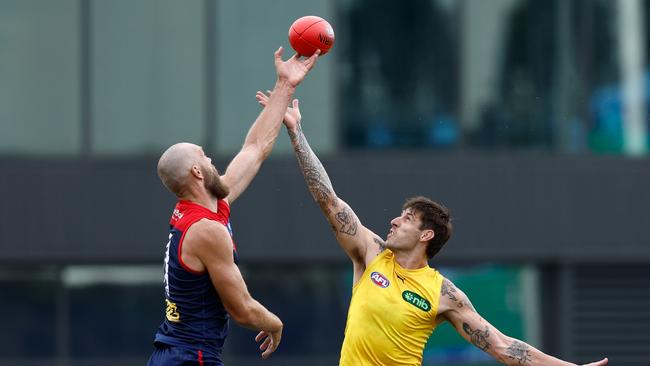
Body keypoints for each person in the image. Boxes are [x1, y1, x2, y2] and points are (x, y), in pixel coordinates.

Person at [255, 91, 608, 366]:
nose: (394, 220)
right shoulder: (372, 253)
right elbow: (328, 200)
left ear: (427, 236)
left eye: (407, 218)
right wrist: (296, 132)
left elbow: (503, 347)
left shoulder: (445, 294)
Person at [147, 47, 319, 366]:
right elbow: (240, 308)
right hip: (191, 357)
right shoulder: (206, 231)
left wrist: (285, 86)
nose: (211, 159)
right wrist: (274, 323)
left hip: (178, 353)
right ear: (197, 172)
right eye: (204, 156)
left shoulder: (210, 206)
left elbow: (254, 149)